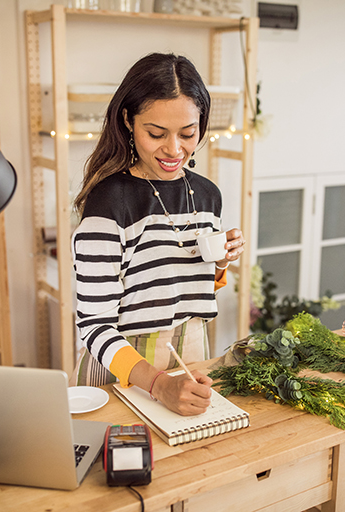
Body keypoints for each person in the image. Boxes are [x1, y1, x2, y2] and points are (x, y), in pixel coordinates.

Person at [71, 53, 246, 416]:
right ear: (128, 121)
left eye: (188, 133)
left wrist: (220, 262)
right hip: (124, 369)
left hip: (192, 356)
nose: (174, 149)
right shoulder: (108, 203)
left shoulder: (207, 194)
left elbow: (178, 284)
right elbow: (93, 324)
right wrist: (158, 384)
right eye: (156, 133)